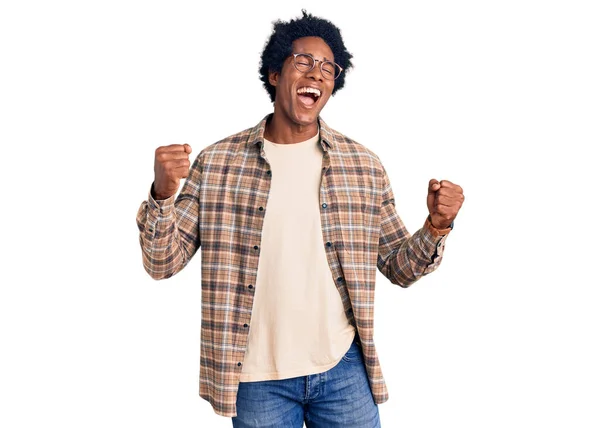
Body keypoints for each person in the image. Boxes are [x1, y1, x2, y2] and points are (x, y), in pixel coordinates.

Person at [136, 10, 464, 428]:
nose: (317, 72)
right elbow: (161, 262)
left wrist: (436, 225)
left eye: (328, 67)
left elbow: (398, 267)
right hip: (256, 378)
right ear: (275, 73)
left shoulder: (362, 166)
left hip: (343, 367)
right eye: (304, 61)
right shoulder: (217, 163)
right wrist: (163, 194)